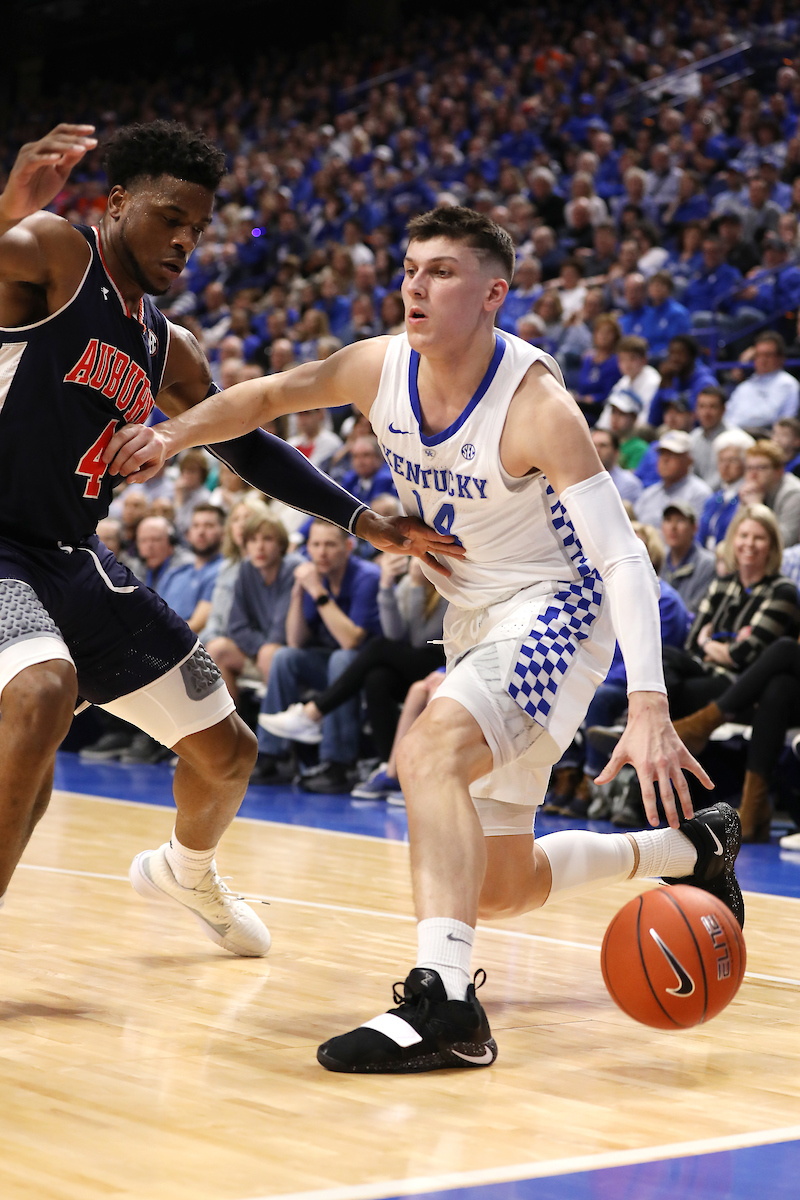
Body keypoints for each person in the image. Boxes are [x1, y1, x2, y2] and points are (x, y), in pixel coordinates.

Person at [107, 204, 744, 1077]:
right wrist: (174, 431)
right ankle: (693, 848)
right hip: (477, 620)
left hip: (559, 606)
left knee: (430, 748)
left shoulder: (539, 408)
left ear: (493, 295)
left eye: (441, 271)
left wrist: (647, 700)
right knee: (496, 885)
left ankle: (444, 1002)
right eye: (410, 267)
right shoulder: (379, 367)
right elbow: (265, 398)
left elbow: (625, 558)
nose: (414, 284)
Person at [0, 121, 451, 960]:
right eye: (171, 217)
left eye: (200, 229)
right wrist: (7, 208)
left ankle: (186, 868)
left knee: (228, 752)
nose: (186, 241)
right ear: (117, 201)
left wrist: (362, 517)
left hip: (71, 556)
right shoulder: (55, 253)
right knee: (39, 697)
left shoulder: (164, 343)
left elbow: (242, 439)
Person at [260, 554, 447, 793]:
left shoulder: (448, 589)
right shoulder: (409, 584)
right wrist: (388, 585)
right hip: (410, 663)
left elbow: (422, 640)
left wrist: (419, 586)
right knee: (377, 677)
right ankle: (392, 767)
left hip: (442, 664)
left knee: (377, 648)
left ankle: (313, 713)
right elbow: (395, 634)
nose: (414, 562)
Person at [253, 519, 382, 791]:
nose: (322, 552)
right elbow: (295, 640)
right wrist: (298, 596)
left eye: (330, 545)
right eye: (316, 545)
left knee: (342, 659)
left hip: (366, 670)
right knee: (285, 657)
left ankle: (338, 764)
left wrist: (317, 591)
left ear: (348, 547)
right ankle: (273, 756)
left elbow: (350, 641)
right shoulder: (313, 577)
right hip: (327, 662)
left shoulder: (366, 576)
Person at [205, 509, 299, 704]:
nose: (260, 547)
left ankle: (275, 727)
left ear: (281, 544)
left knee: (270, 652)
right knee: (217, 648)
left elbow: (281, 632)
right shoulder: (246, 568)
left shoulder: (293, 569)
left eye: (267, 539)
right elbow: (236, 626)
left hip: (290, 651)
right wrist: (259, 647)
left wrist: (263, 649)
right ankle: (232, 730)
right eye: (253, 540)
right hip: (260, 650)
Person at [633, 431, 713, 529]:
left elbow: (699, 535)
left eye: (672, 455)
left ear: (689, 461)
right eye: (662, 454)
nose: (665, 460)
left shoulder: (699, 494)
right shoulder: (648, 495)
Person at [724, 333, 800, 431]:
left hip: (765, 437)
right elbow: (728, 416)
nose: (762, 359)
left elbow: (785, 421)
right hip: (733, 435)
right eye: (758, 355)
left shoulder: (788, 384)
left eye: (768, 355)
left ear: (780, 358)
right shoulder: (744, 386)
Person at [697, 431, 755, 549]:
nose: (725, 466)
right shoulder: (713, 499)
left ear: (745, 463)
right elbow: (701, 534)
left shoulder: (748, 497)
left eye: (732, 460)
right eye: (721, 460)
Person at [739, 439, 800, 548]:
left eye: (760, 468)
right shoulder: (751, 491)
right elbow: (736, 534)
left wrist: (757, 508)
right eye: (749, 468)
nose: (753, 475)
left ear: (779, 471)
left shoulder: (794, 494)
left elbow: (784, 542)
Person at [659, 501, 717, 613]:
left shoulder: (708, 564)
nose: (673, 527)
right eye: (668, 520)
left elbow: (696, 610)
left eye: (680, 520)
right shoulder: (659, 560)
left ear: (694, 528)